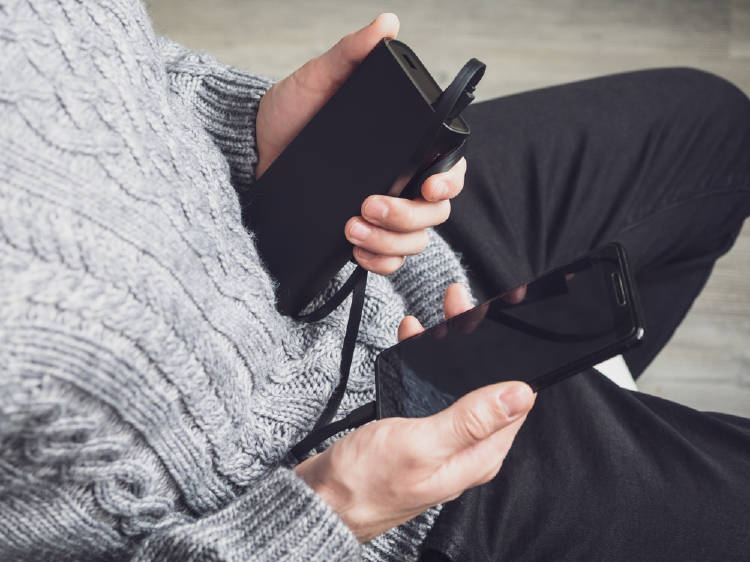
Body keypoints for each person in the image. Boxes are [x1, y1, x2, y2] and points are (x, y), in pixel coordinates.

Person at [0, 3, 748, 561]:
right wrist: (328, 512)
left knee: (715, 129)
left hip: (352, 255)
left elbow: (101, 61)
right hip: (353, 491)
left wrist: (246, 125)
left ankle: (595, 427)